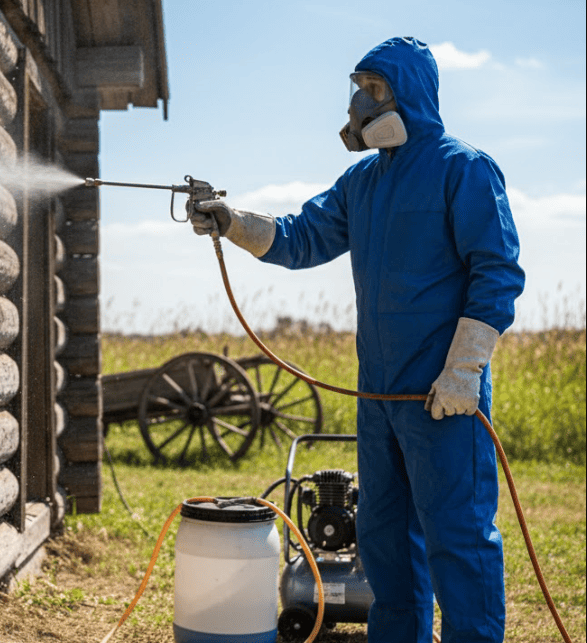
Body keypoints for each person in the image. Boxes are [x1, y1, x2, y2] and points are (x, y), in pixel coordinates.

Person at [189, 37, 525, 643]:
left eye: (374, 89)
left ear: (410, 94)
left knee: (458, 537)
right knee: (384, 539)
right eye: (358, 88)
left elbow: (496, 272)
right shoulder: (362, 182)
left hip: (443, 397)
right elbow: (299, 237)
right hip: (379, 400)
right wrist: (232, 222)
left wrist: (465, 370)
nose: (358, 103)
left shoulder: (463, 168)